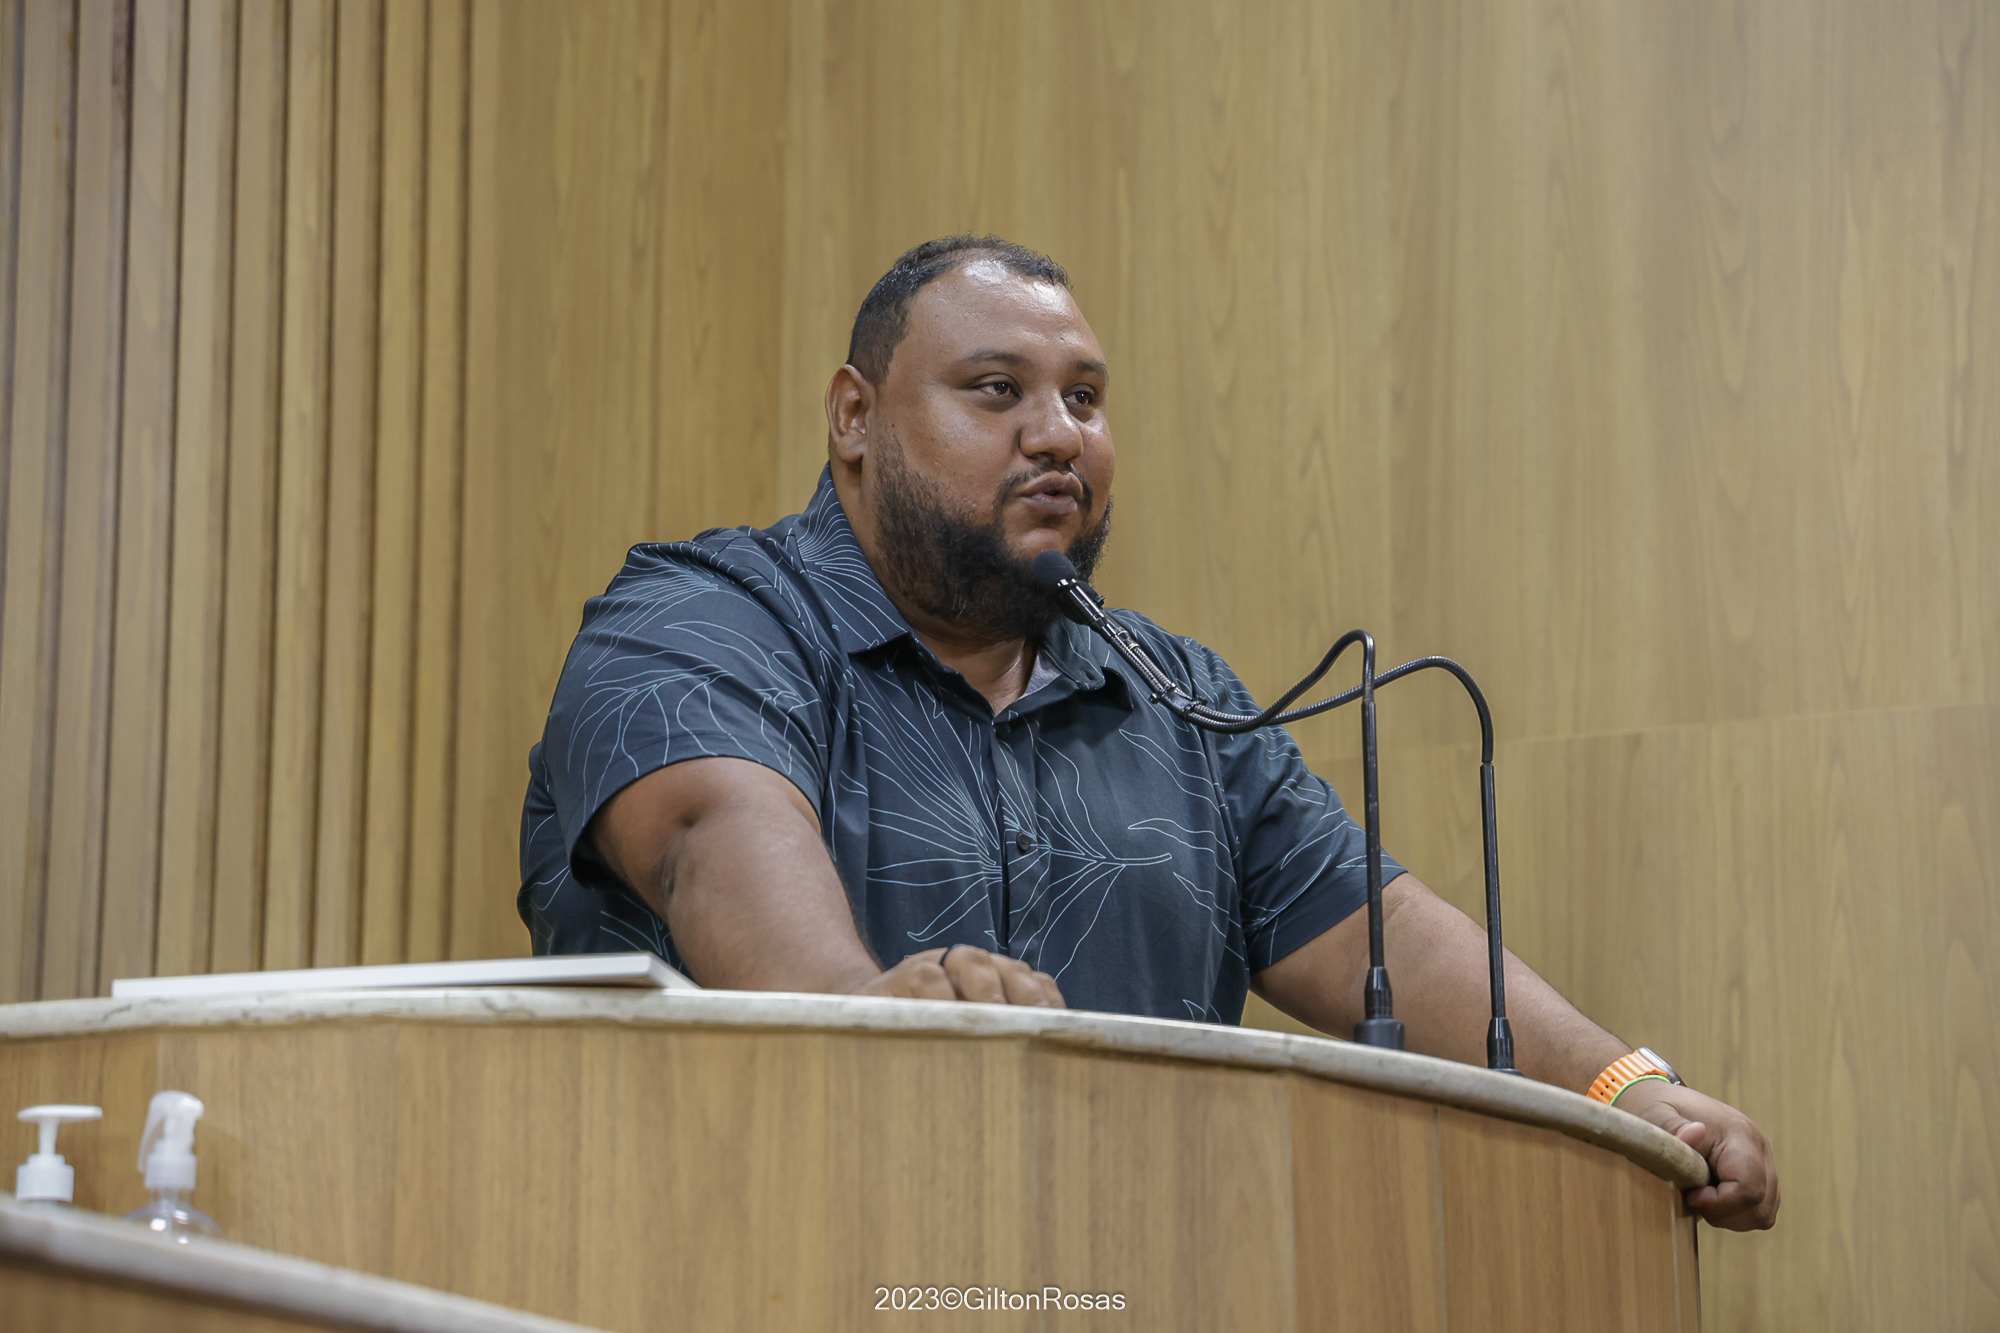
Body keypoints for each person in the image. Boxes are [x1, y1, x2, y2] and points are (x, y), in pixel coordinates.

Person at [519, 235, 1779, 1231]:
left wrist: (1627, 1087)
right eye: (996, 390)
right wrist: (866, 1011)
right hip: (757, 1259)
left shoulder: (1173, 694)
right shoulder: (698, 620)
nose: (1057, 432)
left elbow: (1373, 930)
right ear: (854, 416)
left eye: (1083, 397)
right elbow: (710, 833)